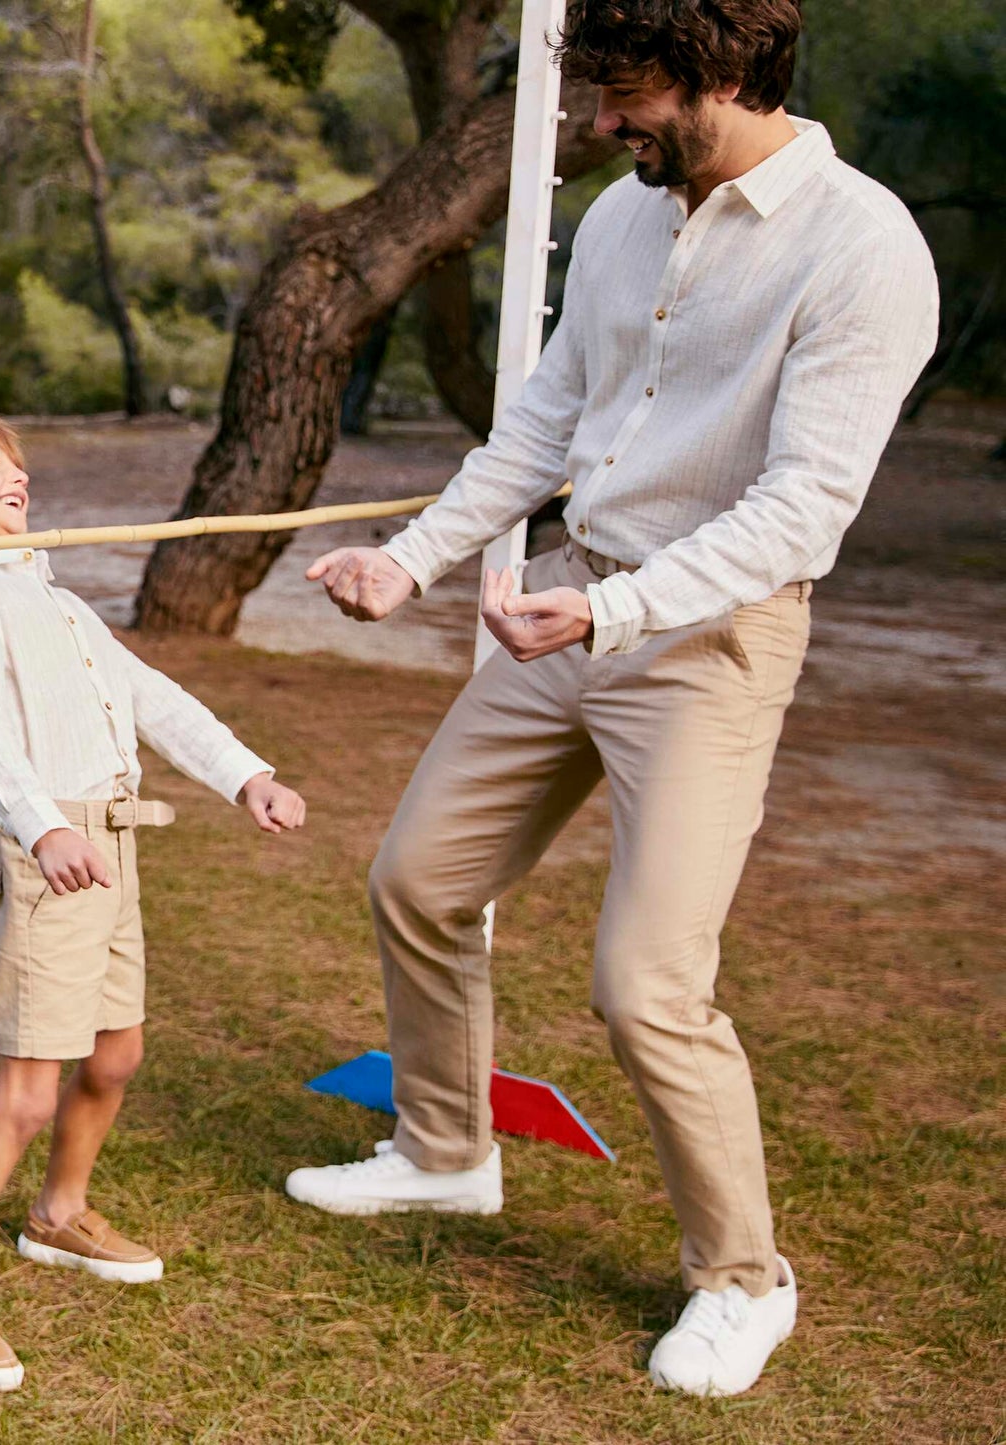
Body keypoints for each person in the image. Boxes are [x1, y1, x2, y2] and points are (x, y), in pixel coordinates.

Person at [287, 0, 937, 1399]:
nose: (597, 127)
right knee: (418, 878)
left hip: (707, 640)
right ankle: (446, 1154)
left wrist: (615, 610)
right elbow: (543, 420)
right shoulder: (630, 220)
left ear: (722, 75)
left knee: (644, 984)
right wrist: (409, 565)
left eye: (624, 96)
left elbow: (804, 512)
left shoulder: (864, 248)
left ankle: (743, 1281)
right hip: (574, 600)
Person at [0, 411, 306, 1391]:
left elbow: (150, 694)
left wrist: (247, 776)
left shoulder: (48, 593)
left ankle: (58, 1214)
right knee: (25, 1092)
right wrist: (40, 826)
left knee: (116, 1053)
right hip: (49, 849)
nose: (14, 473)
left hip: (111, 841)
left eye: (13, 458)